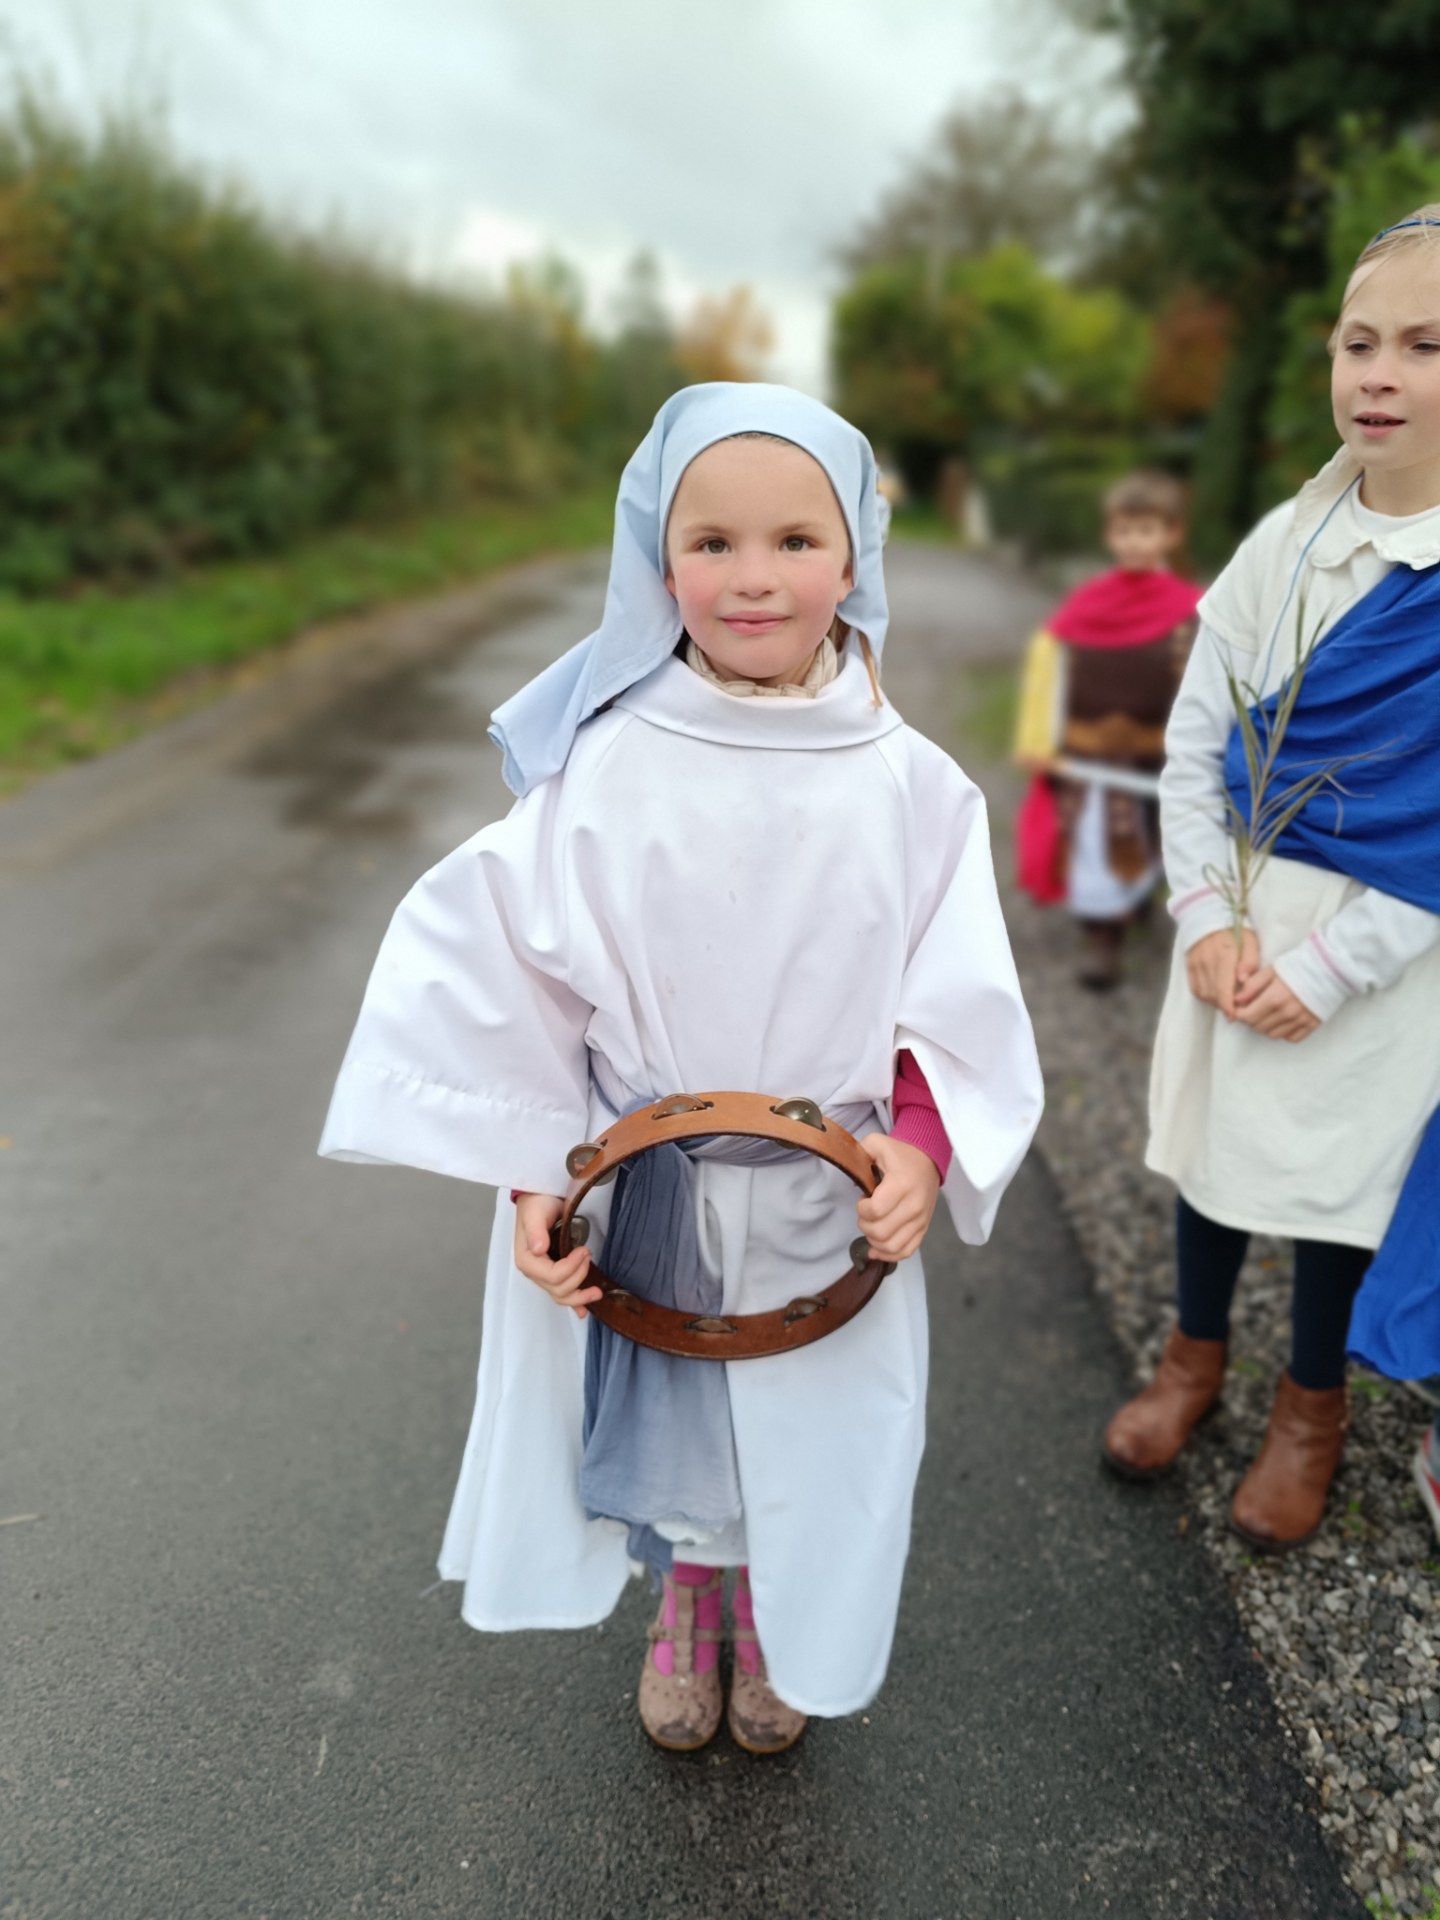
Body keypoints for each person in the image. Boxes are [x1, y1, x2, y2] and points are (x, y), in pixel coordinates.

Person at [319, 384, 1043, 1753]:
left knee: (805, 1416)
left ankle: (775, 1606)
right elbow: (510, 979)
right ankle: (692, 1597)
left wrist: (918, 1149)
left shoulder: (912, 786)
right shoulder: (603, 764)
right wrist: (536, 1178)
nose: (753, 577)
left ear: (856, 555)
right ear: (658, 557)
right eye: (711, 543)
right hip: (639, 1177)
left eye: (793, 540)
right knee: (678, 1402)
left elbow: (957, 1000)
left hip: (825, 1189)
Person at [1101, 208, 1440, 1553]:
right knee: (1213, 1146)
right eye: (1360, 341)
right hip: (1235, 917)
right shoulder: (1279, 545)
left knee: (1334, 1182)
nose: (1378, 372)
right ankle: (1193, 1363)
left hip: (1377, 953)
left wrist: (1330, 963)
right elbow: (1199, 735)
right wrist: (1203, 913)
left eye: (1425, 345)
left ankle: (1312, 1413)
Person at [1013, 471, 1201, 989]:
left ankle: (1132, 904)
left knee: (1148, 839)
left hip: (1154, 752)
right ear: (1110, 535)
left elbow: (1205, 680)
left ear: (1171, 535)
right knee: (1096, 845)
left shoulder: (1190, 609)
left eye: (1146, 531)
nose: (1134, 542)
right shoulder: (1088, 603)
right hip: (1089, 750)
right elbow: (1047, 665)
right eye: (1124, 531)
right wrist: (1036, 740)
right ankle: (1103, 942)